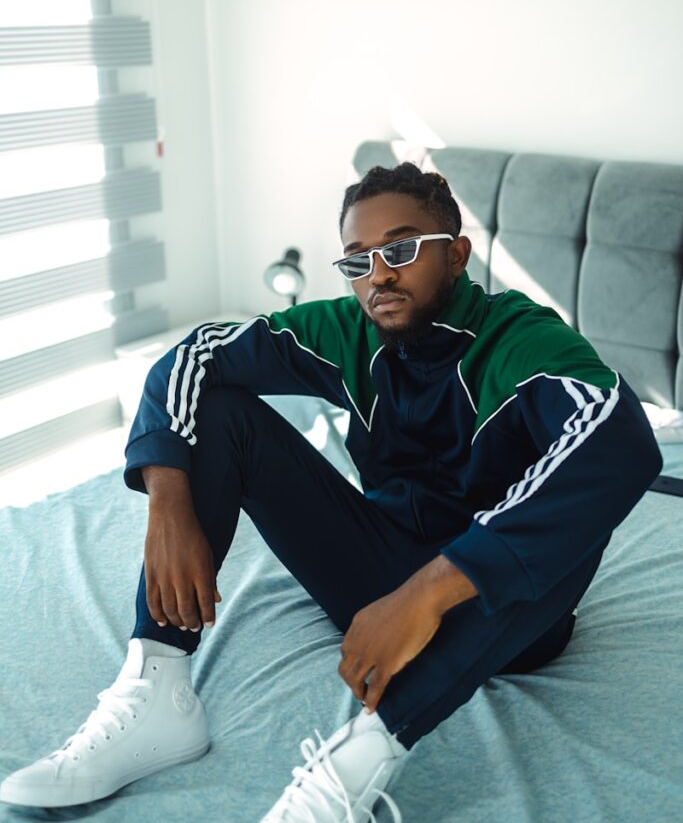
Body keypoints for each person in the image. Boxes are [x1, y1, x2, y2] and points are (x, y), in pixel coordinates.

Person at [0, 163, 662, 821]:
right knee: (220, 409)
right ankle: (159, 689)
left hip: (507, 616)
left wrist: (430, 591)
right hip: (376, 583)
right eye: (356, 261)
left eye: (399, 249)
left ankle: (351, 769)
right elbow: (193, 355)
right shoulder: (350, 334)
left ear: (456, 255)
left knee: (581, 506)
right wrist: (167, 505)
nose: (378, 275)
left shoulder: (521, 341)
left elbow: (621, 440)